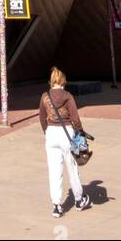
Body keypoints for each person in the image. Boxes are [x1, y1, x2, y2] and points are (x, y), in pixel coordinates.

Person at [39, 66, 92, 217]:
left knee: (54, 171)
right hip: (67, 133)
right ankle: (79, 199)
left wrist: (47, 131)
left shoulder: (45, 96)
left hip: (51, 134)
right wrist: (80, 133)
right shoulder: (67, 95)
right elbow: (75, 118)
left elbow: (42, 117)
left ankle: (57, 206)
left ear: (51, 81)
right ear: (63, 81)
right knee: (72, 167)